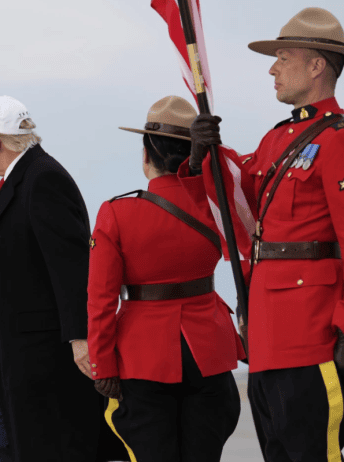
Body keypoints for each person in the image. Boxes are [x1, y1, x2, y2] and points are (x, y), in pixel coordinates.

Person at [187, 7, 344, 461]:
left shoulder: (340, 139)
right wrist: (205, 154)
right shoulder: (278, 138)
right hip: (266, 336)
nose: (272, 69)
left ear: (316, 66)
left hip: (313, 334)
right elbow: (242, 196)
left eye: (283, 57)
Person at [87, 96, 244, 461]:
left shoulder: (116, 212)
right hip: (210, 349)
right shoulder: (216, 205)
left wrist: (102, 364)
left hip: (143, 356)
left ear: (146, 154)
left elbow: (101, 299)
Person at [0, 95, 101, 461]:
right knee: (2, 438)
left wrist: (80, 336)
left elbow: (71, 264)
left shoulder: (42, 178)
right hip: (16, 352)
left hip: (41, 354)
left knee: (28, 443)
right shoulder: (22, 178)